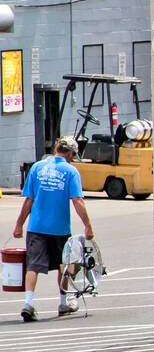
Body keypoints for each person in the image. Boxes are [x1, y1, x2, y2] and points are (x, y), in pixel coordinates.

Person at [12, 137, 94, 321]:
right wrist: (88, 225)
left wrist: (19, 225)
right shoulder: (70, 171)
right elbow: (77, 201)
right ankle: (63, 302)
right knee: (64, 266)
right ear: (70, 153)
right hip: (59, 228)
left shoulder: (37, 167)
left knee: (33, 265)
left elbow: (29, 200)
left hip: (37, 226)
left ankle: (29, 303)